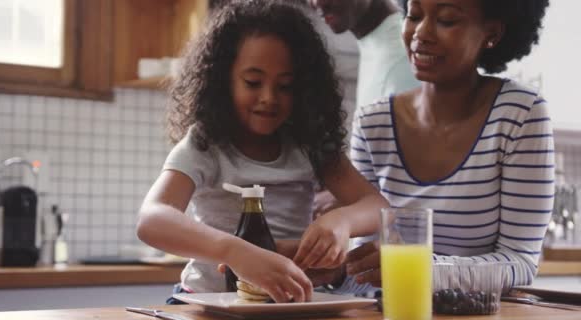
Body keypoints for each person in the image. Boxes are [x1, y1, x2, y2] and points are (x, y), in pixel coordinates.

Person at [136, 0, 388, 304]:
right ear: (222, 79)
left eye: (285, 86)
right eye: (253, 82)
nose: (269, 98)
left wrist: (341, 222)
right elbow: (152, 219)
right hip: (209, 302)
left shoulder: (310, 144)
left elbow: (376, 205)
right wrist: (235, 251)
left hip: (286, 303)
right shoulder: (206, 143)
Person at [347, 0, 553, 289]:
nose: (421, 33)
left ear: (491, 33)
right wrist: (331, 269)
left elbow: (519, 261)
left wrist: (418, 269)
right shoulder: (373, 124)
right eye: (414, 15)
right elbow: (365, 265)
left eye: (446, 20)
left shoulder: (519, 114)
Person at [307, 0, 419, 296]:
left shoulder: (405, 55)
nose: (315, 1)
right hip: (368, 282)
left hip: (406, 286)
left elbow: (409, 194)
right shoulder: (375, 45)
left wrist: (341, 201)